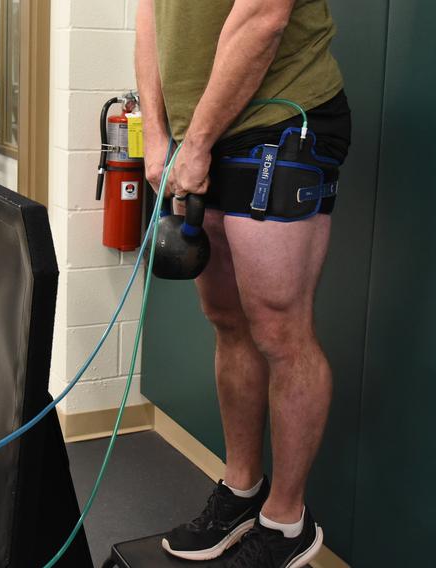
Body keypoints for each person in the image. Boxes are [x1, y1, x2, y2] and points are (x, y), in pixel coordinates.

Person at [135, 0, 352, 566]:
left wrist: (198, 141)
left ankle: (286, 522)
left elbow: (264, 17)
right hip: (197, 132)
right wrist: (158, 136)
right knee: (227, 321)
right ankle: (241, 491)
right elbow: (149, 18)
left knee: (281, 331)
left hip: (280, 117)